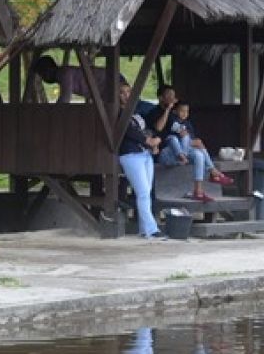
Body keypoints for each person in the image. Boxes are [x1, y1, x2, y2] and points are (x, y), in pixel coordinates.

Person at [117, 82, 168, 241]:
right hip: (130, 155)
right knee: (143, 192)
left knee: (146, 193)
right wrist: (148, 141)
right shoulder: (118, 113)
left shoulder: (136, 112)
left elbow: (146, 129)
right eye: (122, 92)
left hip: (145, 154)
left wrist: (153, 143)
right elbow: (130, 132)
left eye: (128, 92)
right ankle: (152, 230)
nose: (126, 95)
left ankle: (143, 229)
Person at [158, 100, 234, 201]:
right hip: (169, 154)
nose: (185, 114)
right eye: (182, 111)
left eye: (187, 111)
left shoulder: (188, 124)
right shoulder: (171, 120)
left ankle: (198, 191)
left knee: (199, 155)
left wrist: (195, 142)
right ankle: (214, 172)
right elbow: (168, 137)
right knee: (175, 138)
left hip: (184, 154)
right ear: (175, 111)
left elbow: (193, 142)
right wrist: (187, 138)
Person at [32, 55, 116, 103]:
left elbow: (64, 100)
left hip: (111, 81)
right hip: (107, 86)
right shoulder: (64, 73)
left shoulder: (64, 74)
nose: (43, 79)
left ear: (48, 70)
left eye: (42, 74)